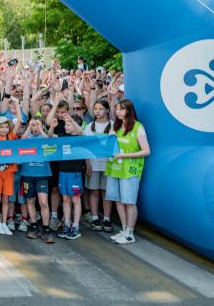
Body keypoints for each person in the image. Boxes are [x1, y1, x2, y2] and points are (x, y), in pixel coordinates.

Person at [105, 99, 150, 244]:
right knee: (118, 200)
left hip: (130, 170)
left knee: (129, 202)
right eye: (117, 108)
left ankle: (130, 233)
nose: (118, 111)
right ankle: (124, 230)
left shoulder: (138, 127)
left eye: (121, 109)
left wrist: (125, 155)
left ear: (128, 111)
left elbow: (146, 151)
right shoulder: (116, 126)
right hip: (115, 168)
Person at [48, 100, 84, 240]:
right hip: (63, 173)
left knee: (76, 199)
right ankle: (67, 224)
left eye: (68, 125)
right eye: (66, 124)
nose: (66, 126)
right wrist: (52, 127)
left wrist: (71, 120)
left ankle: (76, 226)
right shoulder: (62, 137)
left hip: (75, 173)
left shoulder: (78, 138)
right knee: (65, 199)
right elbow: (50, 136)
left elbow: (80, 131)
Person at [20, 118, 55, 243]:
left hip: (42, 174)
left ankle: (46, 229)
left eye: (38, 125)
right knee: (30, 200)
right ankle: (34, 226)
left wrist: (41, 129)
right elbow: (20, 142)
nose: (35, 127)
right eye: (33, 125)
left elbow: (50, 144)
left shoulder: (44, 136)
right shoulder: (27, 136)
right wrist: (29, 128)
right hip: (27, 174)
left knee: (43, 202)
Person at [83, 99, 113, 233]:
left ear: (107, 110)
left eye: (101, 109)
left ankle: (107, 218)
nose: (98, 111)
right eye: (96, 109)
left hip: (109, 165)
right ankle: (95, 218)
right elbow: (85, 147)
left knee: (106, 192)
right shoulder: (89, 127)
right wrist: (87, 163)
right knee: (94, 191)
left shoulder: (114, 125)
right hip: (93, 164)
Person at [0, 116, 18, 236]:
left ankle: (4, 223)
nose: (4, 129)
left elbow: (19, 122)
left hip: (9, 171)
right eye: (1, 127)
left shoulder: (11, 136)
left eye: (6, 127)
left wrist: (17, 106)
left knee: (6, 199)